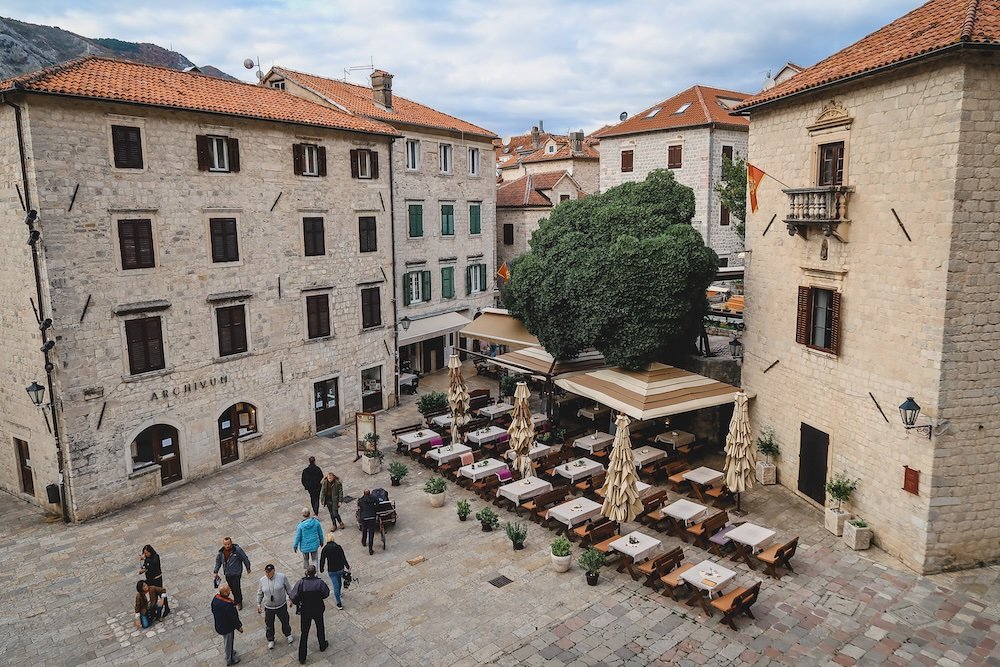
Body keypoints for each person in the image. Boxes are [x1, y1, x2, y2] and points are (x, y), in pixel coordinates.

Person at [290, 565, 330, 664]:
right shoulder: (319, 583)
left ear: (306, 573)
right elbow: (326, 594)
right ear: (315, 573)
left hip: (305, 610)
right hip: (317, 609)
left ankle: (302, 657)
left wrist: (299, 602)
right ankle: (322, 645)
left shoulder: (301, 583)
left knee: (304, 633)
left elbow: (293, 596)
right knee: (320, 627)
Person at [256, 564, 294, 650]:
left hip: (281, 605)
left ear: (273, 571)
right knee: (269, 624)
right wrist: (258, 604)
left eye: (269, 573)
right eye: (266, 573)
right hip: (269, 607)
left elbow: (288, 589)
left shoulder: (282, 577)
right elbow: (260, 593)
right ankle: (270, 639)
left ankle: (288, 634)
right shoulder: (262, 580)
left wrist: (291, 599)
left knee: (285, 621)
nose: (268, 575)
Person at [213, 537, 251, 610]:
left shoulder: (237, 550)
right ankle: (236, 599)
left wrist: (248, 567)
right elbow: (218, 562)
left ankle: (239, 601)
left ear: (231, 543)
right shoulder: (221, 552)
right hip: (227, 573)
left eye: (228, 544)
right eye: (225, 544)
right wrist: (215, 571)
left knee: (236, 588)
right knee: (232, 588)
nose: (227, 546)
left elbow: (244, 558)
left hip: (236, 573)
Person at [212, 583, 244, 666]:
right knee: (228, 642)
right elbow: (233, 617)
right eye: (228, 590)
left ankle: (231, 651)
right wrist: (239, 626)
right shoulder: (228, 605)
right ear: (225, 593)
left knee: (228, 641)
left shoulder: (215, 599)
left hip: (219, 625)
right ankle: (229, 659)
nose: (230, 590)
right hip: (227, 627)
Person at [319, 531, 350, 610]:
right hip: (340, 568)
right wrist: (347, 566)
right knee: (339, 583)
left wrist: (321, 568)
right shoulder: (338, 547)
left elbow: (322, 560)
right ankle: (338, 594)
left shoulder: (325, 549)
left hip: (331, 570)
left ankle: (338, 603)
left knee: (335, 585)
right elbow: (343, 558)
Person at [357, 489, 379, 555]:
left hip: (364, 518)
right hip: (372, 517)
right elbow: (378, 503)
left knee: (364, 530)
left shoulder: (360, 500)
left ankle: (363, 541)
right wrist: (374, 509)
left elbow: (359, 507)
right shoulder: (373, 498)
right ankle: (370, 549)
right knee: (371, 533)